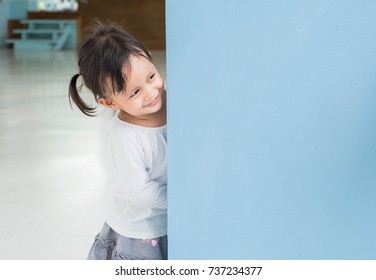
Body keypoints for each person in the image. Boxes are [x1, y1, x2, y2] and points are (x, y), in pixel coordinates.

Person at [68, 21, 167, 260]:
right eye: (135, 92)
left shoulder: (169, 98)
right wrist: (184, 197)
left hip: (170, 214)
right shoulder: (127, 136)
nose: (151, 93)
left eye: (151, 77)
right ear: (109, 103)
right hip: (142, 230)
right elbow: (140, 193)